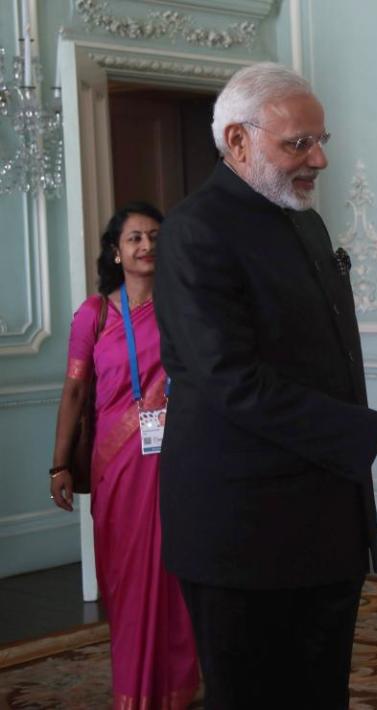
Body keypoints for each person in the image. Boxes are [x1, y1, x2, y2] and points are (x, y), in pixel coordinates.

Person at [154, 62, 377, 709]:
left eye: (321, 141)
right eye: (299, 143)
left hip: (326, 526)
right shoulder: (195, 231)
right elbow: (232, 382)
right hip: (241, 534)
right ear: (237, 141)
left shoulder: (303, 220)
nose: (318, 158)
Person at [50, 202, 199, 709]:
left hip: (174, 458)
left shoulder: (182, 308)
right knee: (127, 580)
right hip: (115, 467)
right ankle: (133, 690)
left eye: (155, 237)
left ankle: (176, 690)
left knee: (173, 575)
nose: (147, 247)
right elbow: (73, 393)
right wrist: (60, 462)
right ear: (116, 251)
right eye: (135, 238)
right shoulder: (94, 315)